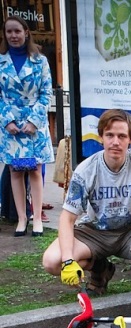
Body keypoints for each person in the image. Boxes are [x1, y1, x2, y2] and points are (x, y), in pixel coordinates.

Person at [43, 109, 131, 307]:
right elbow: (67, 218)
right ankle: (100, 267)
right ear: (101, 137)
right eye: (110, 135)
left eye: (122, 136)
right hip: (93, 233)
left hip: (130, 231)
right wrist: (68, 260)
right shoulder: (86, 169)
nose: (115, 141)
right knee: (52, 261)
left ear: (130, 139)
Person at [0, 16, 54, 237]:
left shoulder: (39, 61)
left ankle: (36, 216)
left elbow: (46, 92)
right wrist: (7, 120)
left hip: (35, 124)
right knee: (15, 171)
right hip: (11, 126)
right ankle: (21, 218)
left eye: (17, 31)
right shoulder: (1, 61)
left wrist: (34, 121)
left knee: (33, 169)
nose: (13, 36)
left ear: (26, 32)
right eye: (9, 32)